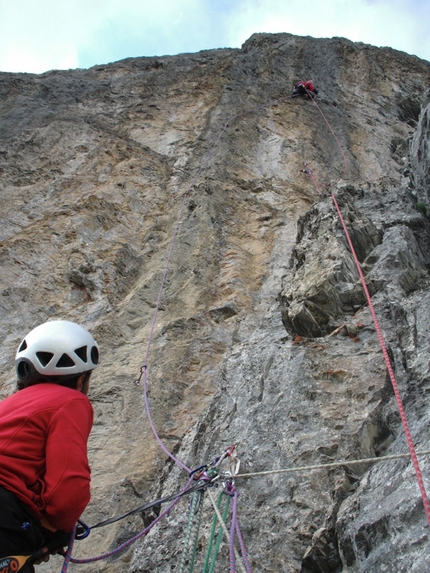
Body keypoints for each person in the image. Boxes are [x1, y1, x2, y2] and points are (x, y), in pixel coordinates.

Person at [0, 320, 99, 571]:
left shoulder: (10, 406)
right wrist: (57, 528)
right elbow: (67, 490)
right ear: (81, 380)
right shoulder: (71, 401)